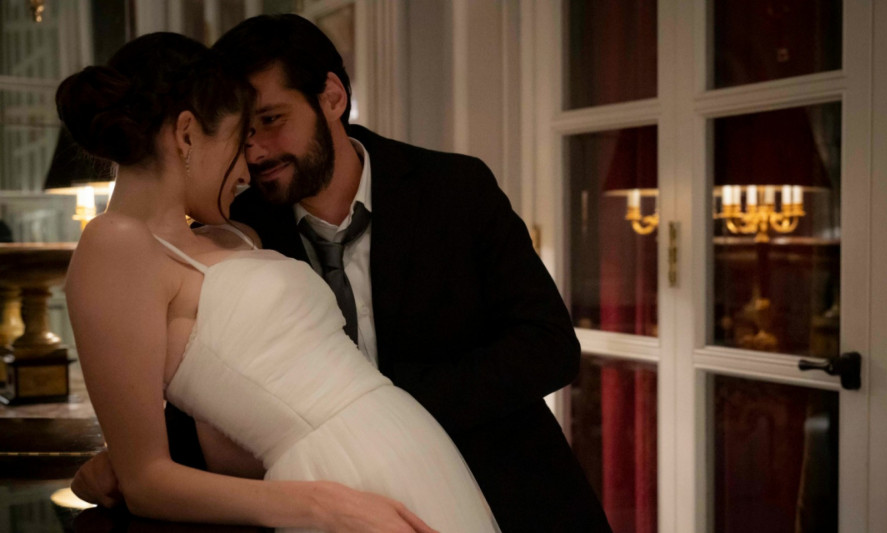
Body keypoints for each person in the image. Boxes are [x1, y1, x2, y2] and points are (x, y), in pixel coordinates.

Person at [76, 14, 613, 532]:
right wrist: (135, 456)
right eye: (242, 133)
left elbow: (548, 346)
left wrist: (376, 409)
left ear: (332, 98)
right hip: (325, 492)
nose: (253, 153)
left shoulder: (453, 188)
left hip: (506, 487)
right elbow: (221, 380)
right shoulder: (236, 222)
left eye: (271, 120)